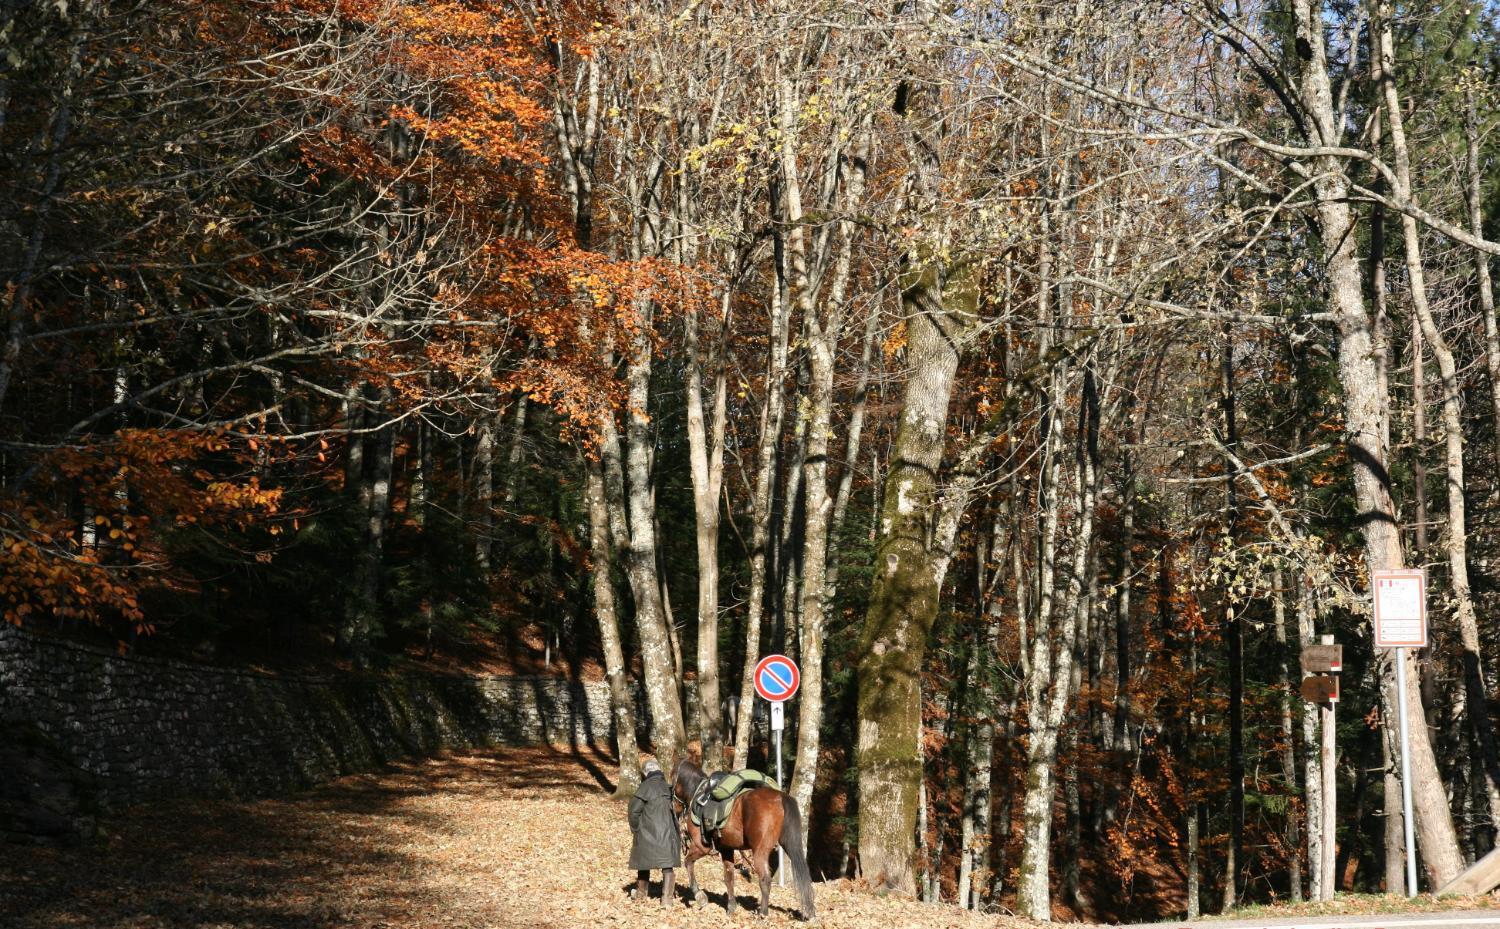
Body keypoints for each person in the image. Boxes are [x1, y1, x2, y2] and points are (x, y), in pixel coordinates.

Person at [627, 756, 681, 906]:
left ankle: (641, 894)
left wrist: (636, 829)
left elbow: (633, 812)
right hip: (668, 834)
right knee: (667, 866)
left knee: (643, 863)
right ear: (659, 770)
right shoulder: (669, 788)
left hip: (647, 833)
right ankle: (667, 900)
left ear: (645, 773)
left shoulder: (643, 788)